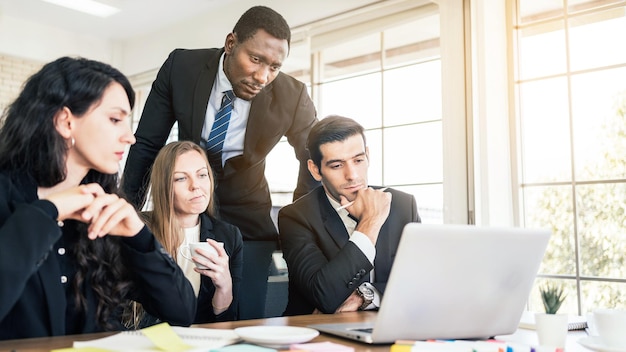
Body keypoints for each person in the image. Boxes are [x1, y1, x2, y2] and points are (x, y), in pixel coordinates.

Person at [121, 5, 319, 319]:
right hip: (182, 211)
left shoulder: (292, 96)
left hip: (248, 215)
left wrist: (301, 223)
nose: (262, 76)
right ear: (230, 44)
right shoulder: (181, 67)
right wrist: (126, 212)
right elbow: (147, 144)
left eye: (274, 67)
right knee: (176, 310)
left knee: (244, 314)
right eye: (255, 59)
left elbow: (314, 161)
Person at [0, 57, 197, 340]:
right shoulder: (7, 195)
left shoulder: (106, 207)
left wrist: (138, 235)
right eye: (115, 120)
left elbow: (181, 310)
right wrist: (49, 211)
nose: (129, 137)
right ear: (66, 121)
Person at [279, 115, 421, 315]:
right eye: (337, 165)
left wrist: (366, 295)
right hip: (316, 332)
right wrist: (370, 222)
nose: (353, 175)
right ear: (315, 170)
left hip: (388, 324)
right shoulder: (295, 217)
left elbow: (420, 283)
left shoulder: (403, 205)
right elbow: (325, 296)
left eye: (358, 160)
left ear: (368, 156)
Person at [139, 141, 243, 324]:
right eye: (181, 178)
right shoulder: (140, 229)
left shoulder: (228, 236)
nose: (196, 186)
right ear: (164, 186)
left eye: (202, 175)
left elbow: (228, 322)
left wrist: (224, 287)